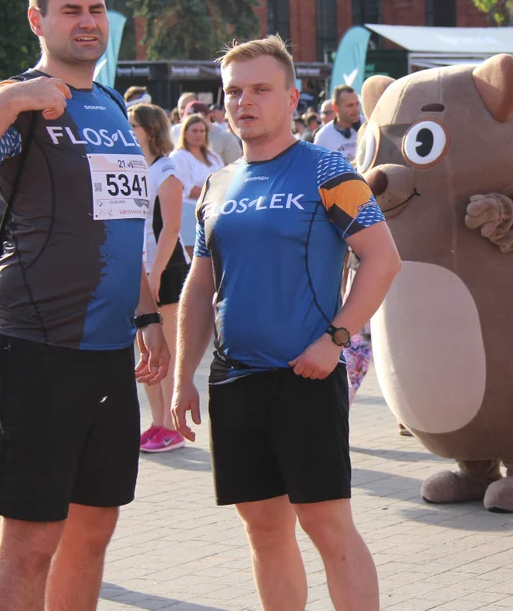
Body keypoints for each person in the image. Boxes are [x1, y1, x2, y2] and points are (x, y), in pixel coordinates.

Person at [0, 0, 168, 611]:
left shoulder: (112, 105)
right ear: (39, 20)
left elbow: (121, 221)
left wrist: (148, 315)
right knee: (34, 537)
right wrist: (8, 100)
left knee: (94, 525)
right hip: (35, 349)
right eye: (71, 10)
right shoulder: (21, 104)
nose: (88, 22)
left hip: (106, 351)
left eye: (96, 9)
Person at [172, 35, 399, 610]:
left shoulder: (329, 170)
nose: (243, 102)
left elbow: (383, 258)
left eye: (260, 90)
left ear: (293, 97)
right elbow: (200, 286)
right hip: (235, 379)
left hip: (306, 376)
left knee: (327, 527)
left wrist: (336, 339)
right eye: (234, 92)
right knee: (263, 529)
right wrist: (181, 378)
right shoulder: (217, 185)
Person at [129, 103, 190, 452]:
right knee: (145, 350)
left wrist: (154, 274)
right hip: (141, 270)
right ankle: (155, 423)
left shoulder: (167, 169)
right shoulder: (136, 166)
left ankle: (171, 427)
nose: (127, 130)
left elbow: (171, 228)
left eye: (133, 125)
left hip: (165, 270)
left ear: (151, 129)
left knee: (164, 348)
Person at [172, 112, 224, 256]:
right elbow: (187, 189)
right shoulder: (178, 157)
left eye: (202, 131)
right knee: (195, 257)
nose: (199, 134)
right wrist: (216, 194)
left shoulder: (212, 155)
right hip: (190, 214)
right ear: (185, 133)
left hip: (216, 213)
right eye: (194, 131)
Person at [314, 84, 361, 163]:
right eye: (350, 105)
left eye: (357, 104)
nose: (356, 109)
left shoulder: (368, 126)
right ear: (335, 108)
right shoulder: (323, 137)